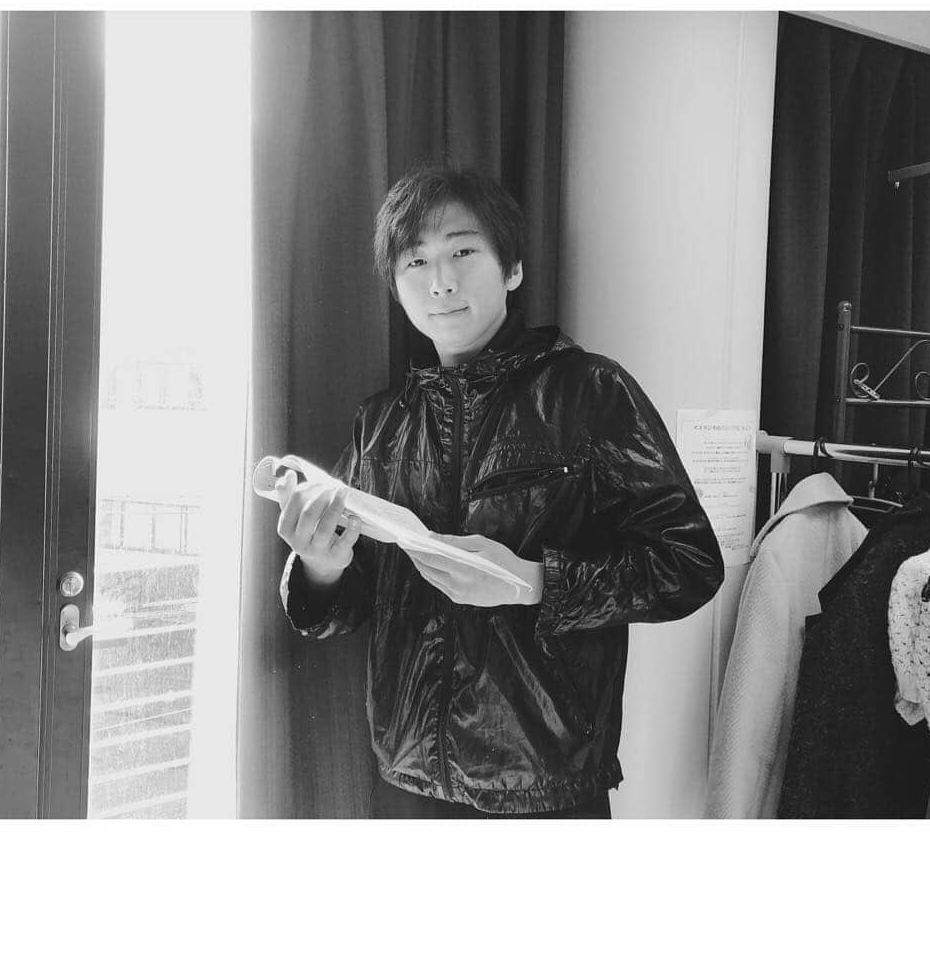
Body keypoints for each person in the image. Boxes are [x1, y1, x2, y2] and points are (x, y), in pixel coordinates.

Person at [272, 162, 724, 818]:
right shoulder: (382, 422)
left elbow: (689, 564)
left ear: (512, 269)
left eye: (462, 252)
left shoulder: (591, 393)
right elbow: (352, 604)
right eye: (415, 262)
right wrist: (320, 566)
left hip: (545, 789)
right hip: (407, 781)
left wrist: (532, 583)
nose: (441, 281)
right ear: (396, 286)